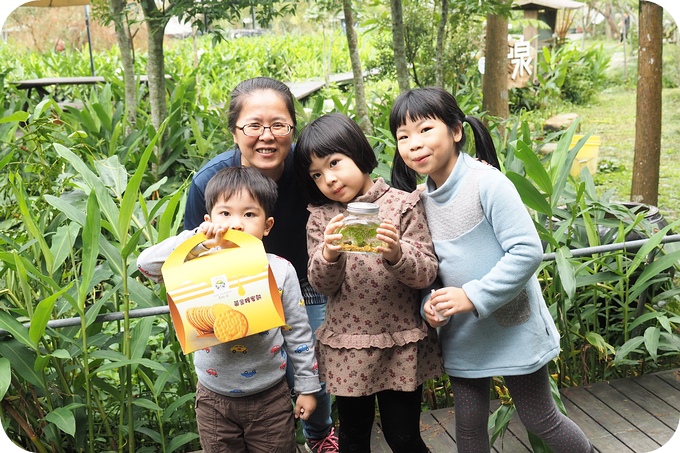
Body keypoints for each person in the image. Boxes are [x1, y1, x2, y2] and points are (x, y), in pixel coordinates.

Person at [389, 86, 594, 453]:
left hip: (513, 327)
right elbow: (429, 270)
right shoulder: (418, 200)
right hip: (464, 334)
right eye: (403, 137)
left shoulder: (488, 183)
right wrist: (430, 306)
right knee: (468, 427)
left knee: (539, 418)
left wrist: (471, 295)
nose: (413, 144)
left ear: (456, 131)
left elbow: (527, 251)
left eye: (424, 130)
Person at [183, 77, 338, 452]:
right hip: (237, 283)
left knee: (314, 359)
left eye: (278, 125)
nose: (266, 136)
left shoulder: (308, 167)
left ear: (292, 129)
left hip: (304, 277)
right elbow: (190, 255)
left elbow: (347, 185)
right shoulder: (211, 182)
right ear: (235, 132)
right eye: (253, 125)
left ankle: (319, 437)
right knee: (249, 363)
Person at [137, 166, 320, 452]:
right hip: (213, 399)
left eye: (249, 214)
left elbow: (298, 333)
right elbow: (145, 265)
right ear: (209, 219)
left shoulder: (280, 270)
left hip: (271, 396)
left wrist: (308, 388)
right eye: (225, 213)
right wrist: (196, 239)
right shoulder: (195, 264)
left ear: (267, 225)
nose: (236, 224)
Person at [293, 112, 442, 453]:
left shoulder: (403, 205)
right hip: (348, 346)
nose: (329, 179)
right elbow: (321, 285)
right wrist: (329, 255)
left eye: (334, 163)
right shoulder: (322, 218)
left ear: (358, 154)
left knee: (403, 437)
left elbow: (426, 272)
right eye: (316, 174)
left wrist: (395, 253)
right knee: (353, 438)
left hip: (398, 342)